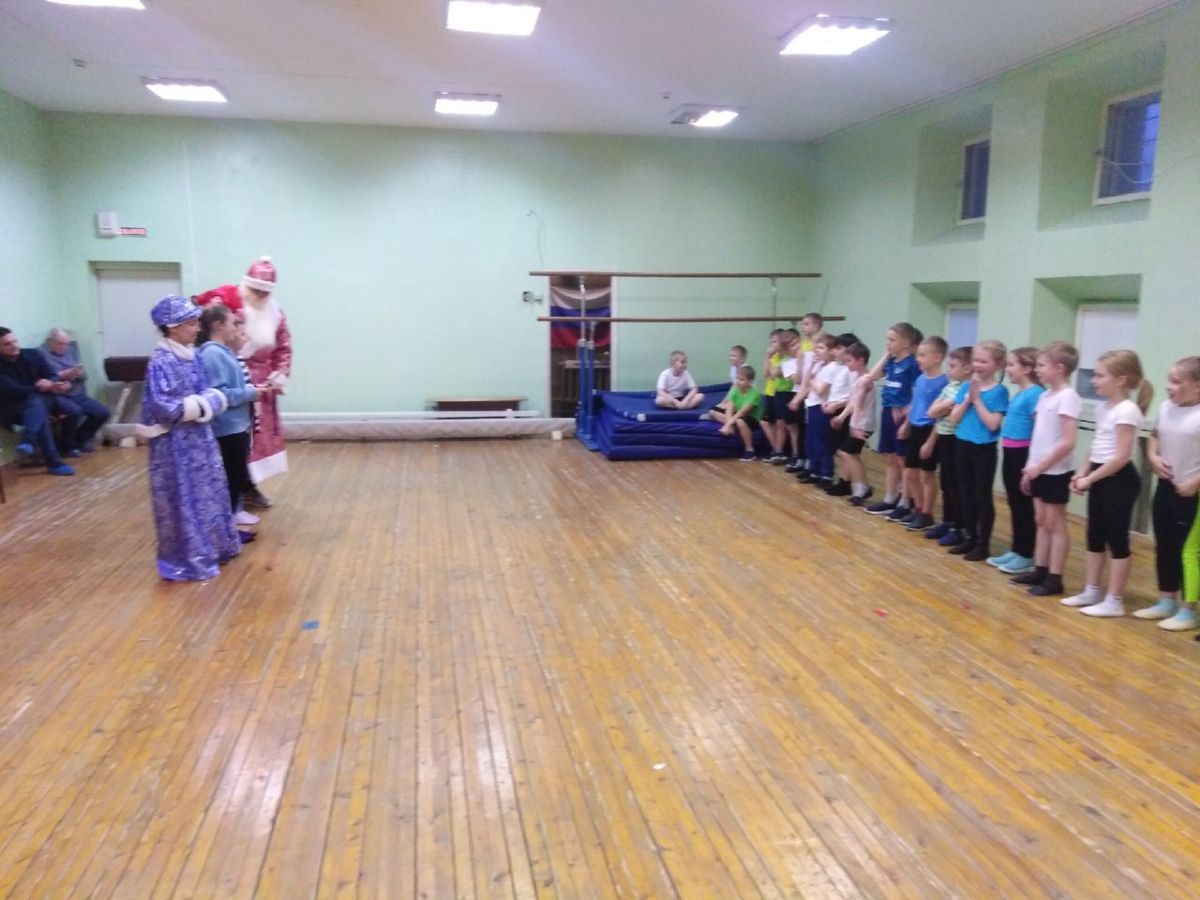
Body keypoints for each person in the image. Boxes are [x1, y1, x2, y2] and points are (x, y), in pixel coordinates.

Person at [139, 295, 241, 582]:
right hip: (174, 444)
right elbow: (163, 406)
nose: (197, 329)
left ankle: (215, 546)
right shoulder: (160, 362)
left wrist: (208, 401)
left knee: (209, 491)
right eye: (191, 324)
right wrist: (202, 404)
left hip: (199, 438)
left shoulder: (192, 355)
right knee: (184, 495)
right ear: (172, 327)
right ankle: (189, 557)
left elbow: (206, 389)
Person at [195, 256, 292, 508]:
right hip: (228, 376)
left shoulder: (275, 312)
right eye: (255, 289)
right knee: (231, 440)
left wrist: (278, 375)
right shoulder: (225, 300)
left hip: (262, 385)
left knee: (254, 440)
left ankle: (248, 487)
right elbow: (204, 328)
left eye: (264, 291)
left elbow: (283, 347)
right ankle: (227, 492)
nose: (259, 295)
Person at [1063, 350, 1153, 617]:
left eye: (1100, 376)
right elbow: (1098, 446)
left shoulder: (1128, 410)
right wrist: (1081, 472)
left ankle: (1114, 600)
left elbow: (1121, 456)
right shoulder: (1103, 408)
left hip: (1119, 480)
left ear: (1121, 379)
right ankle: (1091, 590)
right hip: (1101, 476)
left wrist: (1090, 478)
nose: (1094, 380)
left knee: (1116, 539)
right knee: (1094, 536)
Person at [1013, 342, 1081, 598]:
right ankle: (1040, 569)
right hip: (1038, 469)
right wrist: (1030, 468)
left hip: (1056, 471)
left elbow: (1067, 441)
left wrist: (1041, 466)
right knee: (1041, 520)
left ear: (1059, 368)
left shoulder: (1068, 397)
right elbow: (1040, 436)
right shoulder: (1045, 396)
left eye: (1041, 365)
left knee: (1055, 523)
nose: (1037, 370)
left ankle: (1055, 577)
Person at [1137, 356, 1200, 631]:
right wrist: (1153, 457)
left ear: (1197, 385)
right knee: (1164, 544)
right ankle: (1166, 600)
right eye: (1168, 380)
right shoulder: (1165, 408)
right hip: (1166, 488)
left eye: (1176, 381)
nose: (1168, 386)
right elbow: (1154, 436)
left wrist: (1195, 481)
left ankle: (1188, 610)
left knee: (1188, 551)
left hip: (1192, 493)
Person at [198, 303, 273, 530]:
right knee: (233, 472)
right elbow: (219, 393)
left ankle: (234, 510)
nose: (235, 327)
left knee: (237, 471)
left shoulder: (223, 353)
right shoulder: (212, 354)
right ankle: (229, 516)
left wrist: (252, 391)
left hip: (236, 424)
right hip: (226, 425)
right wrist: (250, 393)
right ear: (218, 325)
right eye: (231, 322)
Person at [947, 340, 1009, 562]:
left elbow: (993, 424)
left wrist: (977, 401)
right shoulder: (966, 386)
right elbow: (954, 418)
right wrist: (967, 400)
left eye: (984, 361)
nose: (978, 365)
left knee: (982, 496)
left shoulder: (1000, 391)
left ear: (997, 364)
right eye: (976, 361)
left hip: (984, 449)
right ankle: (970, 537)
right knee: (965, 493)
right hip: (962, 444)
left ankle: (984, 544)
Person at [988, 347, 1044, 573]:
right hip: (1010, 452)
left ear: (1027, 368)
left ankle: (1027, 553)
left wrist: (1032, 463)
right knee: (1014, 502)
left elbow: (1039, 430)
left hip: (1023, 453)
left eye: (1012, 365)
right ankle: (1017, 548)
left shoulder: (1035, 394)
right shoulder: (1021, 393)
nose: (1007, 369)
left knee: (1024, 505)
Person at [863, 322, 922, 516]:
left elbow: (917, 396)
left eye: (892, 340)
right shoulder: (892, 362)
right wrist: (887, 355)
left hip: (902, 415)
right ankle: (890, 498)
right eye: (887, 339)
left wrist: (908, 421)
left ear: (906, 343)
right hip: (888, 412)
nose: (888, 343)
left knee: (902, 460)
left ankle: (905, 502)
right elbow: (872, 376)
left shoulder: (913, 365)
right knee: (889, 457)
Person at [0, 327, 75, 476]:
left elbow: (52, 375)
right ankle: (54, 462)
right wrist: (41, 387)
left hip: (43, 399)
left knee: (74, 410)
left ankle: (30, 439)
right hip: (13, 407)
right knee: (39, 412)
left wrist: (51, 383)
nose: (14, 345)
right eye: (7, 344)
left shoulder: (32, 354)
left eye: (15, 341)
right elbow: (13, 391)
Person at [895, 336, 948, 531]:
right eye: (918, 355)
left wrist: (931, 441)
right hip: (916, 429)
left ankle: (927, 513)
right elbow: (916, 405)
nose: (918, 359)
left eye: (923, 355)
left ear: (937, 358)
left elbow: (940, 417)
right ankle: (918, 508)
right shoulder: (920, 379)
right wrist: (906, 424)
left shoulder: (943, 383)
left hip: (930, 430)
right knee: (910, 472)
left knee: (927, 475)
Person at [923, 346, 972, 544]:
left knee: (956, 485)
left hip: (956, 439)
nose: (948, 370)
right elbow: (931, 412)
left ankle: (959, 527)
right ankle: (948, 520)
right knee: (946, 483)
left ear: (967, 368)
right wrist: (943, 407)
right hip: (943, 436)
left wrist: (942, 408)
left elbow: (948, 413)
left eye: (952, 366)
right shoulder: (950, 387)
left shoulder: (966, 389)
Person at [40, 327, 110, 453]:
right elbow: (43, 379)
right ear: (50, 341)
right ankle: (68, 446)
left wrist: (79, 374)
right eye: (60, 344)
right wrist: (61, 377)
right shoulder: (41, 354)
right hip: (57, 395)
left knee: (102, 412)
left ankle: (77, 442)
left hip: (77, 393)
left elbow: (85, 376)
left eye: (66, 344)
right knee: (74, 411)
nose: (64, 347)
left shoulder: (72, 350)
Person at [832, 342, 877, 506]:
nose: (847, 364)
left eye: (849, 360)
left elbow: (858, 405)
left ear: (860, 360)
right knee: (852, 454)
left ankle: (861, 488)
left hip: (863, 424)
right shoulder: (859, 379)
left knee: (847, 453)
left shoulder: (865, 380)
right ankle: (862, 488)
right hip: (859, 423)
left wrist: (854, 426)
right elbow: (852, 402)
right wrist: (842, 417)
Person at [711, 365, 763, 461]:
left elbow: (743, 412)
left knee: (740, 421)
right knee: (713, 411)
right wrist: (728, 425)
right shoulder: (735, 391)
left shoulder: (754, 394)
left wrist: (727, 425)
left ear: (750, 382)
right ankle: (733, 426)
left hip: (751, 418)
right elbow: (729, 409)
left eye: (741, 379)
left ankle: (750, 450)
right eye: (737, 378)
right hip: (738, 415)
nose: (738, 382)